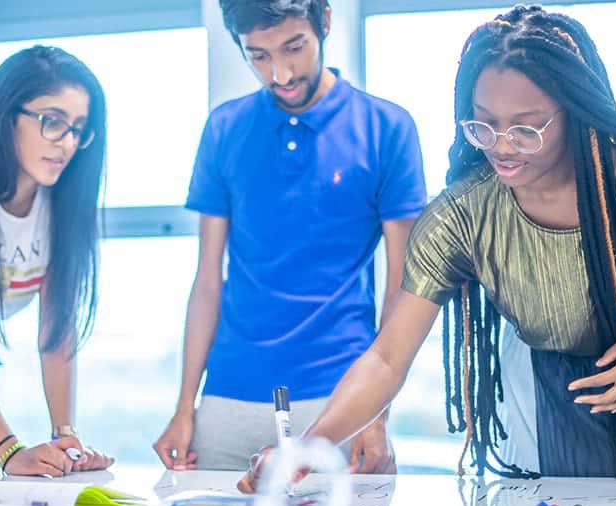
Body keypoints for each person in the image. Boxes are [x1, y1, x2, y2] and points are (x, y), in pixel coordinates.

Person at [239, 5, 616, 492]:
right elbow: (387, 358)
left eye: (526, 128)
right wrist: (309, 447)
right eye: (483, 125)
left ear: (575, 110)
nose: (502, 147)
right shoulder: (462, 215)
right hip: (542, 396)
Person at [153, 0, 427, 472]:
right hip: (228, 393)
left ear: (324, 22)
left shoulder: (387, 127)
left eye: (293, 48)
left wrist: (376, 413)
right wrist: (183, 409)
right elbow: (206, 281)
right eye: (257, 56)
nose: (279, 73)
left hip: (340, 397)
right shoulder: (223, 129)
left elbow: (402, 286)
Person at [0, 45, 113, 476]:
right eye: (52, 122)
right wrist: (10, 451)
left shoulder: (58, 205)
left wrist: (66, 437)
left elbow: (57, 334)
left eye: (78, 130)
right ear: (6, 115)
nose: (67, 143)